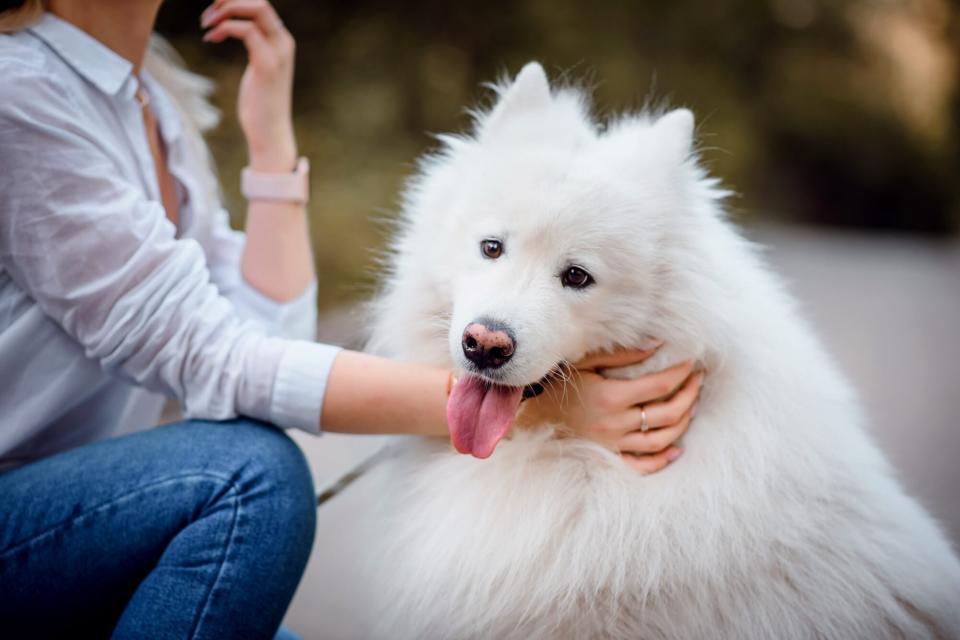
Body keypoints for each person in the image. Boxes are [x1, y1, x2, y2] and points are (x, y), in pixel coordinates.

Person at [0, 0, 703, 637]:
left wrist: (272, 136)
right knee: (246, 476)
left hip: (83, 515)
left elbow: (264, 340)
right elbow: (215, 361)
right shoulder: (20, 94)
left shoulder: (142, 97)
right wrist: (540, 411)